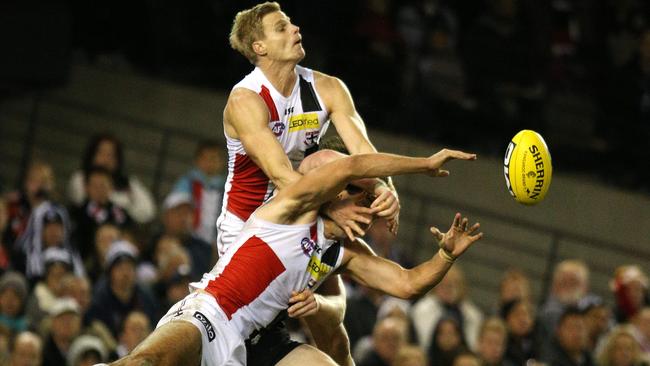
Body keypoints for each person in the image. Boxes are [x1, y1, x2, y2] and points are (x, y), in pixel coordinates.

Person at [106, 148, 481, 366]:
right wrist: (423, 165)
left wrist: (446, 254)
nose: (368, 208)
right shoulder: (291, 209)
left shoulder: (344, 252)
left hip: (254, 344)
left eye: (370, 201)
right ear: (333, 192)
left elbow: (408, 284)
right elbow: (346, 166)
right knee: (147, 363)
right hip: (210, 313)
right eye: (361, 196)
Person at [218, 2, 401, 364]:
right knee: (248, 345)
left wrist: (386, 190)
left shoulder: (328, 88)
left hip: (306, 215)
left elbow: (363, 155)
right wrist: (333, 207)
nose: (296, 28)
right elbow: (281, 176)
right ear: (260, 47)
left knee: (333, 333)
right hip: (250, 230)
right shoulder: (245, 99)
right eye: (282, 27)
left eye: (291, 23)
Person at [67, 133, 155, 224]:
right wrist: (126, 203)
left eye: (111, 155)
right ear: (92, 155)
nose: (106, 159)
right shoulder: (80, 177)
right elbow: (82, 200)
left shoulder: (129, 183)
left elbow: (148, 212)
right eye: (101, 153)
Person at [169, 140, 226, 245]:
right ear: (197, 160)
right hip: (188, 239)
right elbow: (174, 211)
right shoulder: (186, 183)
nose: (210, 163)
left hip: (216, 243)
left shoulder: (227, 187)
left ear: (222, 162)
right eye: (205, 158)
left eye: (214, 158)